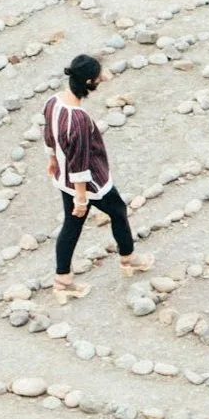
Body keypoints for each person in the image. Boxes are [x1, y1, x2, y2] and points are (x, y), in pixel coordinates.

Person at [43, 53, 151, 302]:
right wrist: (81, 197)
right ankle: (129, 258)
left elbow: (48, 133)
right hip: (91, 183)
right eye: (98, 78)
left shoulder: (54, 101)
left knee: (72, 227)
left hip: (64, 177)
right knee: (118, 211)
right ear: (90, 82)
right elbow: (80, 160)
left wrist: (51, 159)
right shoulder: (78, 119)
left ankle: (63, 280)